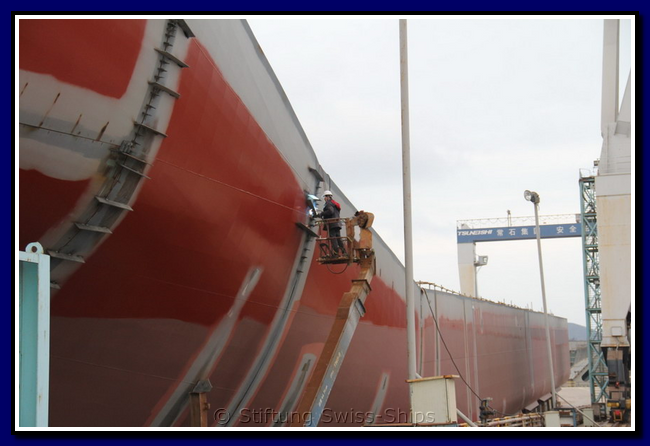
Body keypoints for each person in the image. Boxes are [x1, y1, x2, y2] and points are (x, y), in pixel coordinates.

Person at [320, 190, 347, 257]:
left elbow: (330, 211)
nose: (324, 199)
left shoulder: (328, 203)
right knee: (338, 238)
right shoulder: (335, 204)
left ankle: (336, 253)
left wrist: (322, 213)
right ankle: (344, 252)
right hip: (337, 224)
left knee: (333, 238)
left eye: (324, 197)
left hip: (332, 224)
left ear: (327, 197)